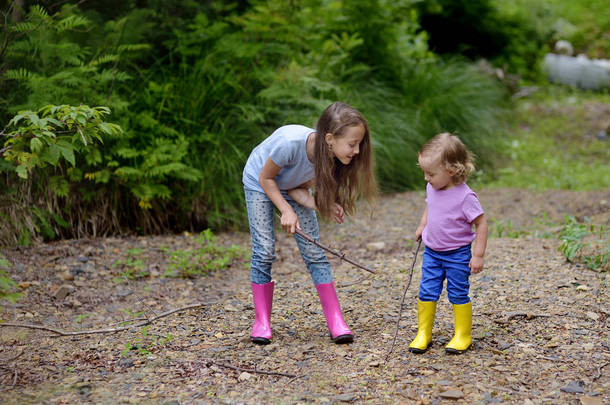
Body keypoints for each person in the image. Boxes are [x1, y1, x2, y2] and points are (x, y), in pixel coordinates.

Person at [242, 102, 377, 345]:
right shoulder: (290, 145)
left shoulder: (330, 159)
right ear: (329, 138)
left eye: (359, 144)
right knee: (264, 250)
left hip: (284, 185)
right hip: (259, 182)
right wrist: (284, 210)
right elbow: (267, 178)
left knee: (315, 251)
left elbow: (296, 186)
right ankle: (261, 322)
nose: (357, 151)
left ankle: (336, 319)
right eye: (352, 144)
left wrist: (319, 205)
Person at [409, 133, 488, 354]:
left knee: (457, 292)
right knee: (427, 291)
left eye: (431, 173)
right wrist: (422, 226)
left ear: (451, 170)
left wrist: (478, 254)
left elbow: (481, 224)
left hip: (457, 255)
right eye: (424, 172)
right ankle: (424, 333)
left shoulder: (465, 197)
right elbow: (429, 208)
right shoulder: (432, 188)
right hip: (432, 253)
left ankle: (463, 334)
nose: (426, 178)